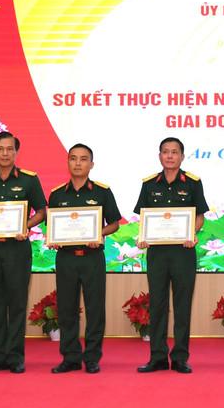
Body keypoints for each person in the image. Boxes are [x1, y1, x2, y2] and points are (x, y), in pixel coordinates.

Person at [0, 132, 46, 374]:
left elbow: (41, 211)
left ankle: (15, 357)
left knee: (16, 303)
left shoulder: (29, 180)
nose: (5, 153)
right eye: (0, 149)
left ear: (16, 152)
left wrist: (26, 225)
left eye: (10, 149)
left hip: (17, 249)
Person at [134, 138, 209, 374]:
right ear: (159, 156)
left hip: (183, 252)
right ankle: (157, 357)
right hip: (157, 253)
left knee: (182, 305)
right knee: (157, 304)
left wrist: (192, 232)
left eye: (174, 152)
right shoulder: (149, 184)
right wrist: (142, 236)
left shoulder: (193, 183)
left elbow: (200, 216)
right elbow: (143, 217)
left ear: (182, 157)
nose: (169, 156)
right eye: (165, 152)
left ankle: (180, 358)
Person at [46, 144, 121, 374]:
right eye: (73, 158)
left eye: (83, 159)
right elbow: (51, 226)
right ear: (68, 162)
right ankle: (70, 357)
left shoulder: (102, 192)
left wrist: (99, 234)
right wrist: (54, 238)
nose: (78, 163)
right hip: (66, 258)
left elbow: (114, 224)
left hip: (92, 257)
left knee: (95, 309)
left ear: (91, 164)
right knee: (66, 308)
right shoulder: (57, 194)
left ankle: (92, 358)